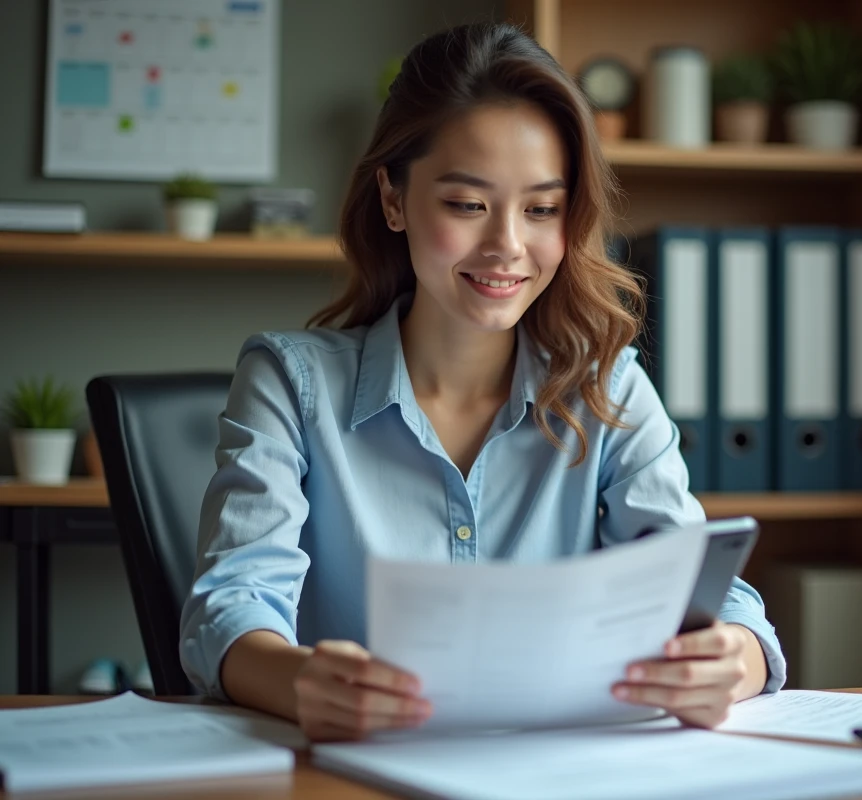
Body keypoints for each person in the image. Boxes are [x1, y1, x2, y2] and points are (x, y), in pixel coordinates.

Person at [180, 21, 785, 743]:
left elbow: (716, 600)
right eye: (467, 205)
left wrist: (734, 661)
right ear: (394, 200)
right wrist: (301, 681)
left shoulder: (608, 387)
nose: (506, 245)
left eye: (542, 210)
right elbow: (232, 603)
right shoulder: (289, 383)